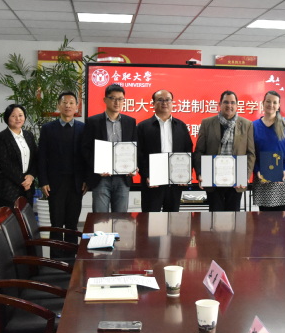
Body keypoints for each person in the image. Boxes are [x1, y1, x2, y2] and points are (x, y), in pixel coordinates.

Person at [193, 90, 256, 212]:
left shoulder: (247, 124)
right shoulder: (207, 123)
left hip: (236, 181)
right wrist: (200, 173)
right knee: (214, 216)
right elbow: (199, 151)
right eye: (226, 102)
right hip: (212, 179)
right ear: (220, 104)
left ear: (237, 105)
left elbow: (250, 153)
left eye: (233, 102)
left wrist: (245, 176)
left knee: (234, 216)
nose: (229, 105)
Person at [38, 91, 85, 247]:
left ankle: (71, 256)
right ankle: (56, 257)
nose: (68, 106)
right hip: (55, 183)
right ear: (58, 106)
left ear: (77, 107)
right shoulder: (48, 129)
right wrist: (43, 181)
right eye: (64, 103)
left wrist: (87, 180)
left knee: (72, 223)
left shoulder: (83, 128)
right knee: (56, 223)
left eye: (71, 103)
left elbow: (87, 157)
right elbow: (42, 157)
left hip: (76, 183)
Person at [82, 84, 137, 212]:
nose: (117, 102)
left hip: (123, 177)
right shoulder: (93, 122)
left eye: (120, 99)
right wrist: (97, 167)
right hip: (101, 178)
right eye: (113, 98)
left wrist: (134, 165)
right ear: (105, 100)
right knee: (100, 218)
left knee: (121, 218)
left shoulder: (130, 122)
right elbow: (85, 149)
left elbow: (135, 148)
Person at [136, 89, 193, 212]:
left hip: (175, 181)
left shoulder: (181, 126)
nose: (164, 103)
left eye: (168, 100)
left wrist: (186, 174)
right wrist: (146, 175)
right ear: (153, 104)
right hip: (152, 181)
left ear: (172, 103)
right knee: (150, 218)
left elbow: (188, 149)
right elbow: (138, 154)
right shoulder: (143, 126)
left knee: (172, 218)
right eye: (160, 100)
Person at [252, 91, 285, 211]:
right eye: (268, 101)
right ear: (263, 103)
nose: (271, 105)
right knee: (263, 218)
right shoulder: (253, 126)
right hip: (261, 176)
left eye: (274, 102)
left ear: (278, 106)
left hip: (282, 176)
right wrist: (257, 170)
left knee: (281, 218)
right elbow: (251, 152)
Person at [0, 103, 37, 208]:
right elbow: (5, 164)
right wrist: (23, 181)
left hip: (28, 187)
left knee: (26, 217)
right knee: (11, 217)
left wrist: (31, 176)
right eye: (13, 116)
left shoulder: (29, 135)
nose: (18, 119)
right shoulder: (1, 137)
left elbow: (36, 158)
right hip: (9, 189)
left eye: (20, 115)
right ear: (7, 118)